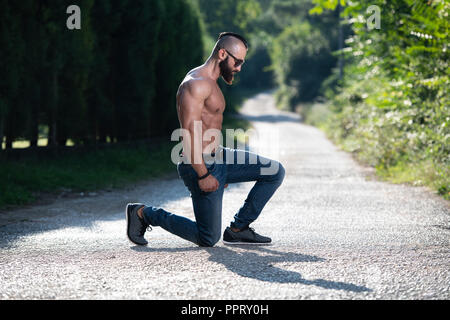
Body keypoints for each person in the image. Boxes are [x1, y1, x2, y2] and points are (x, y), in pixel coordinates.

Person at [126, 32, 285, 247]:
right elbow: (188, 133)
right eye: (237, 62)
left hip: (219, 157)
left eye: (242, 63)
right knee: (207, 237)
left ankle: (238, 229)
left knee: (274, 171)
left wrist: (225, 169)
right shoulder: (195, 84)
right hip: (199, 164)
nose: (239, 68)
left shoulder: (212, 82)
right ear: (222, 53)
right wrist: (204, 174)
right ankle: (144, 213)